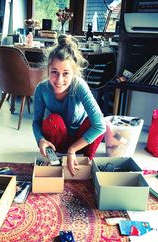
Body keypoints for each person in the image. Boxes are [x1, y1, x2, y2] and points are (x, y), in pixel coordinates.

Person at [32, 35, 106, 176]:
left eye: (66, 74)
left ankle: (86, 160)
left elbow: (100, 125)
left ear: (73, 73)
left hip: (81, 141)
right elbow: (36, 122)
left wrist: (72, 150)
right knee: (52, 119)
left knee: (95, 121)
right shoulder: (41, 89)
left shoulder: (79, 86)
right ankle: (60, 156)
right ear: (48, 70)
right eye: (54, 72)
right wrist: (40, 139)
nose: (59, 80)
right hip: (58, 141)